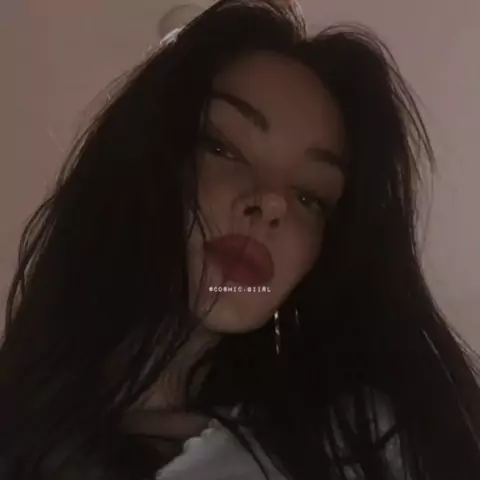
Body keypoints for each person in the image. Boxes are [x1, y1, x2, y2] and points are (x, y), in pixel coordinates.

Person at [1, 0, 480, 479]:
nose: (272, 203)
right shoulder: (21, 428)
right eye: (223, 148)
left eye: (310, 196)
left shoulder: (366, 443)